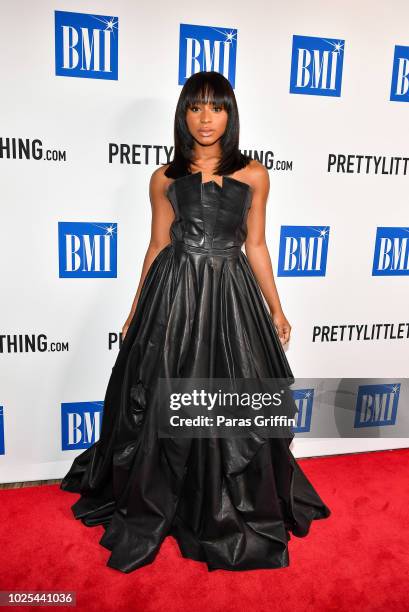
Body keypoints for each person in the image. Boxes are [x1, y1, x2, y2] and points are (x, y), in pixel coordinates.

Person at [60, 70, 331, 573]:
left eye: (217, 107)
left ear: (231, 114)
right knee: (158, 393)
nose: (206, 118)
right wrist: (137, 307)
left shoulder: (253, 174)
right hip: (175, 294)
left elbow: (256, 245)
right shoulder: (163, 178)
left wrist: (277, 307)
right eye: (195, 107)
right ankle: (166, 497)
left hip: (231, 294)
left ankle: (223, 500)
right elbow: (158, 245)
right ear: (183, 115)